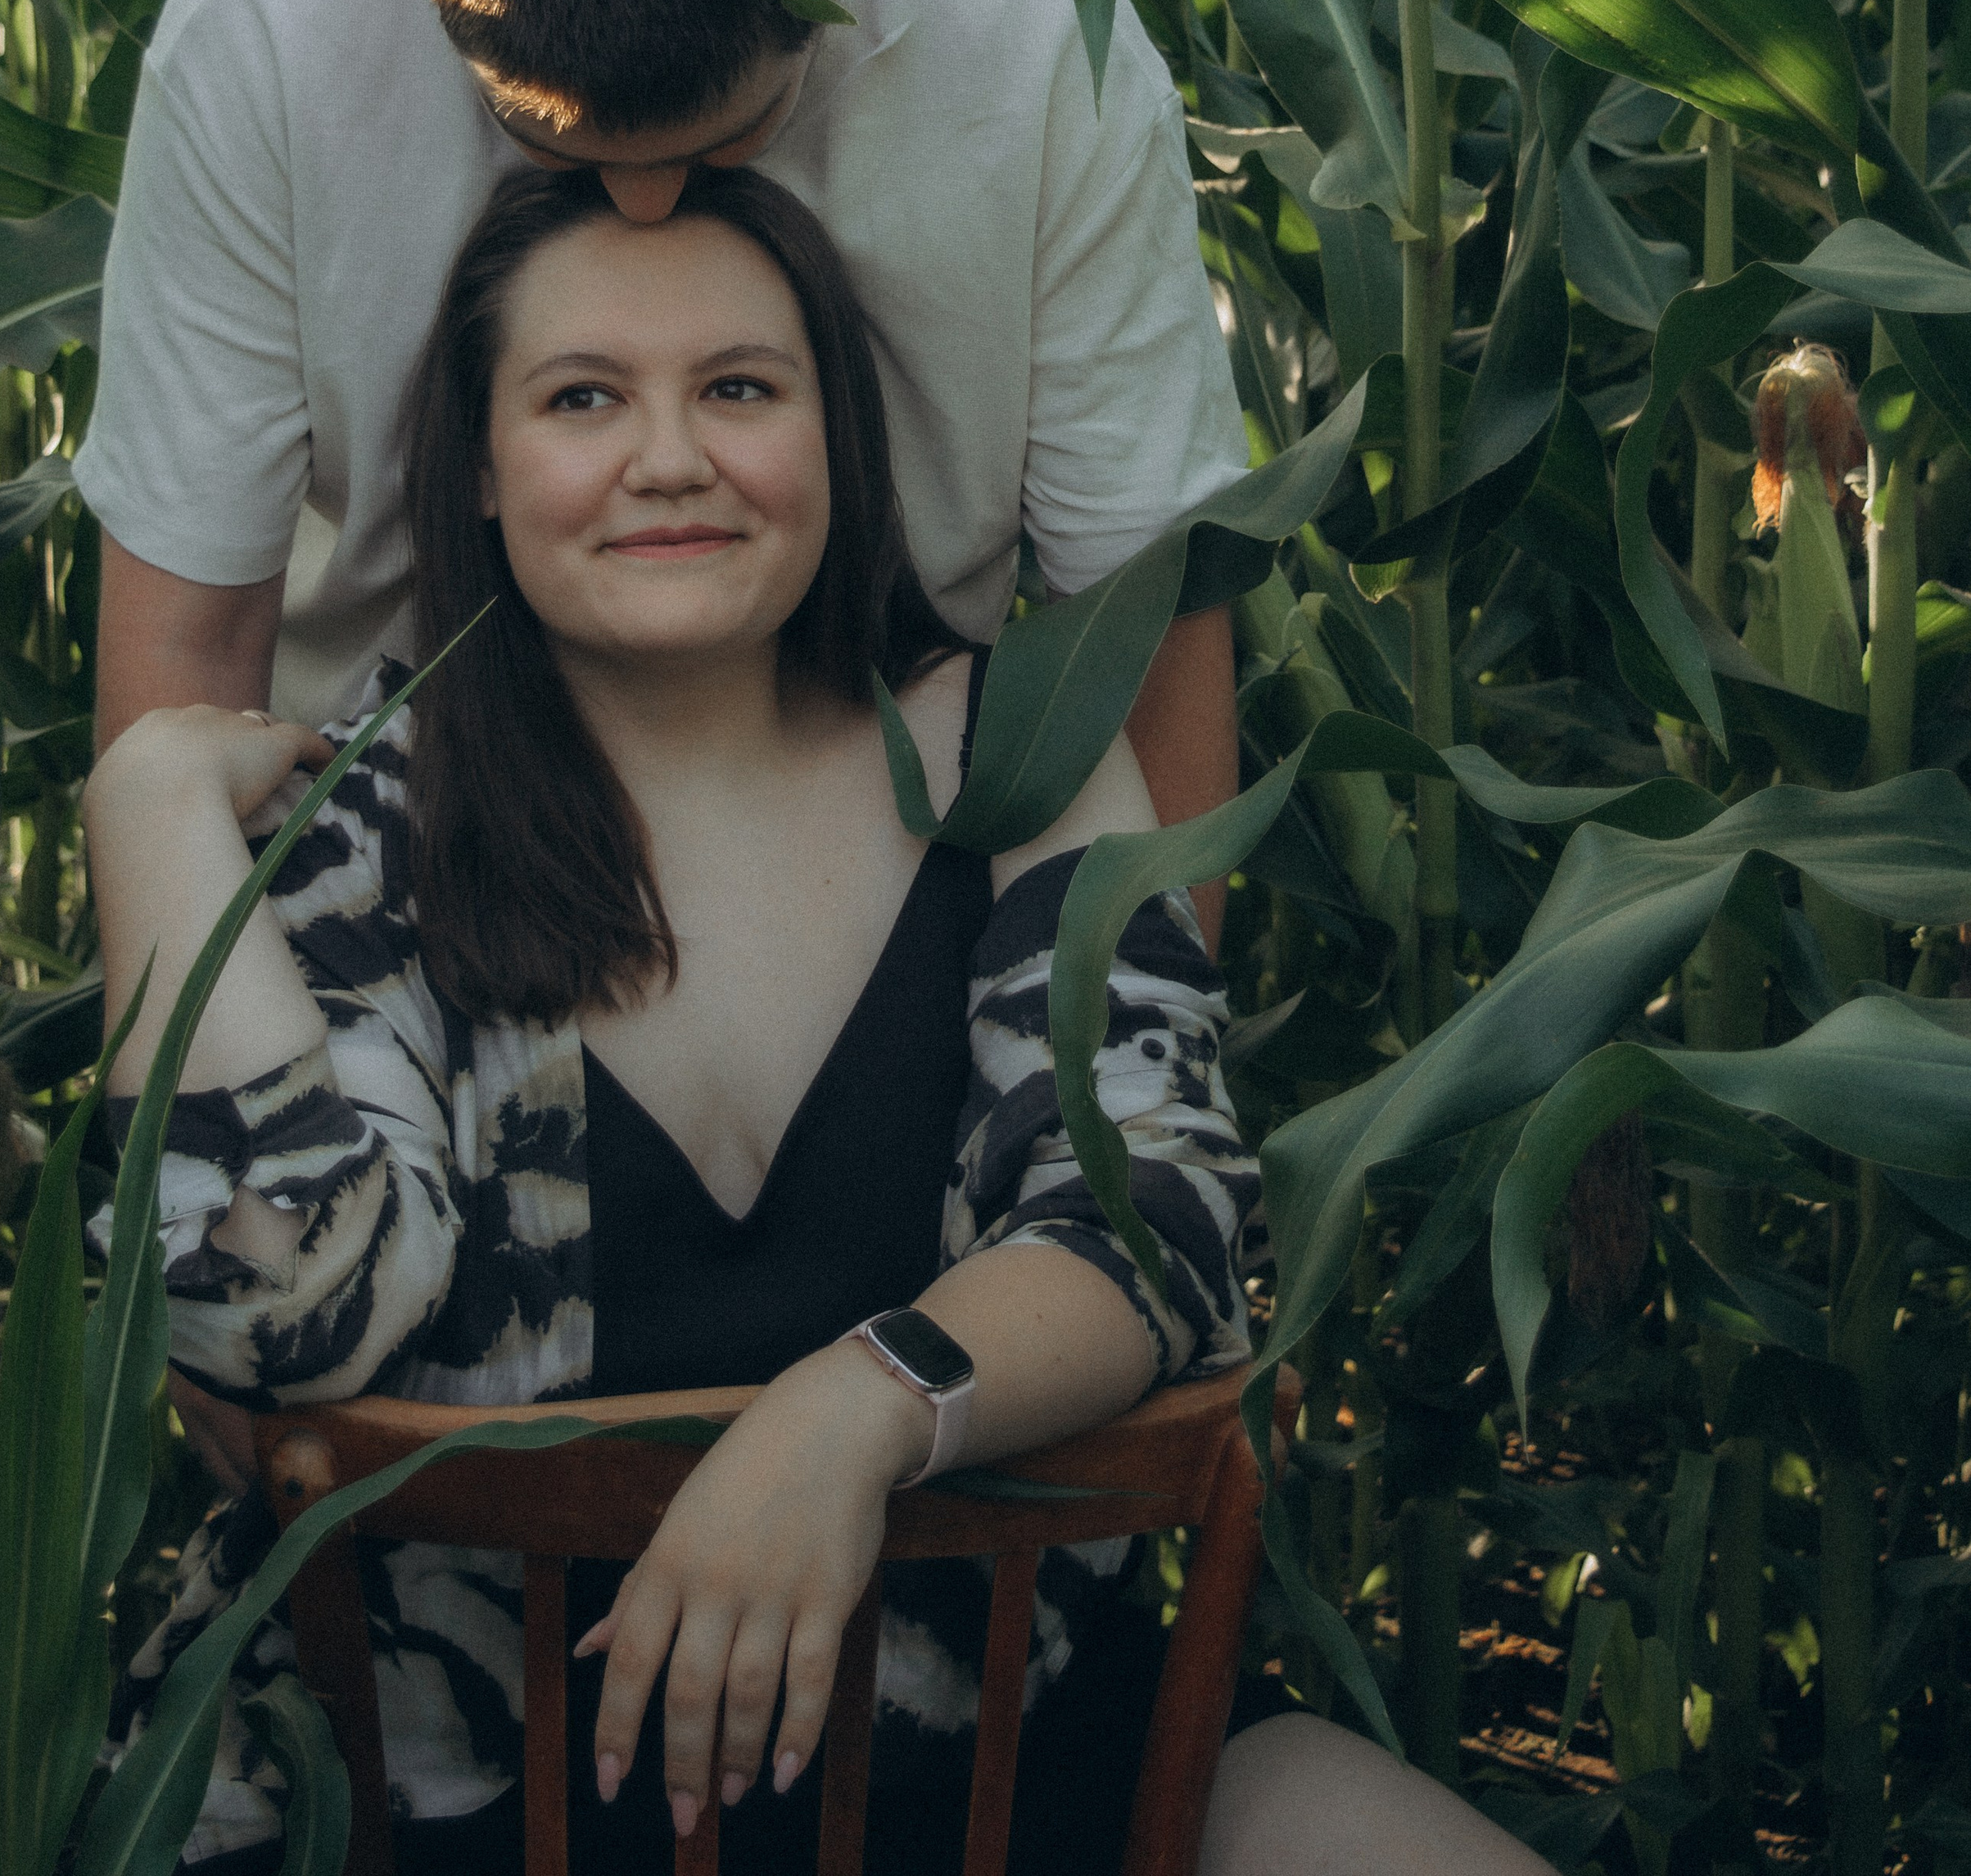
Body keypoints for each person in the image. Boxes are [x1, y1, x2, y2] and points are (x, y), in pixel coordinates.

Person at [87, 166, 1544, 1876]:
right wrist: (152, 807)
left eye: (736, 388)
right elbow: (285, 1321)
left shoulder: (1017, 753)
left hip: (990, 1762)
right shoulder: (373, 833)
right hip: (459, 1810)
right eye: (580, 399)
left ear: (834, 437)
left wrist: (848, 1417)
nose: (669, 458)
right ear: (479, 472)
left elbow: (1159, 1220)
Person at [75, 0, 1248, 869]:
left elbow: (1142, 618)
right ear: (432, 10)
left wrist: (1144, 1015)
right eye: (554, 155)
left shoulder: (1035, 36)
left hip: (896, 841)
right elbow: (189, 658)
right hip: (388, 840)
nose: (642, 208)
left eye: (736, 138)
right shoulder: (266, 33)